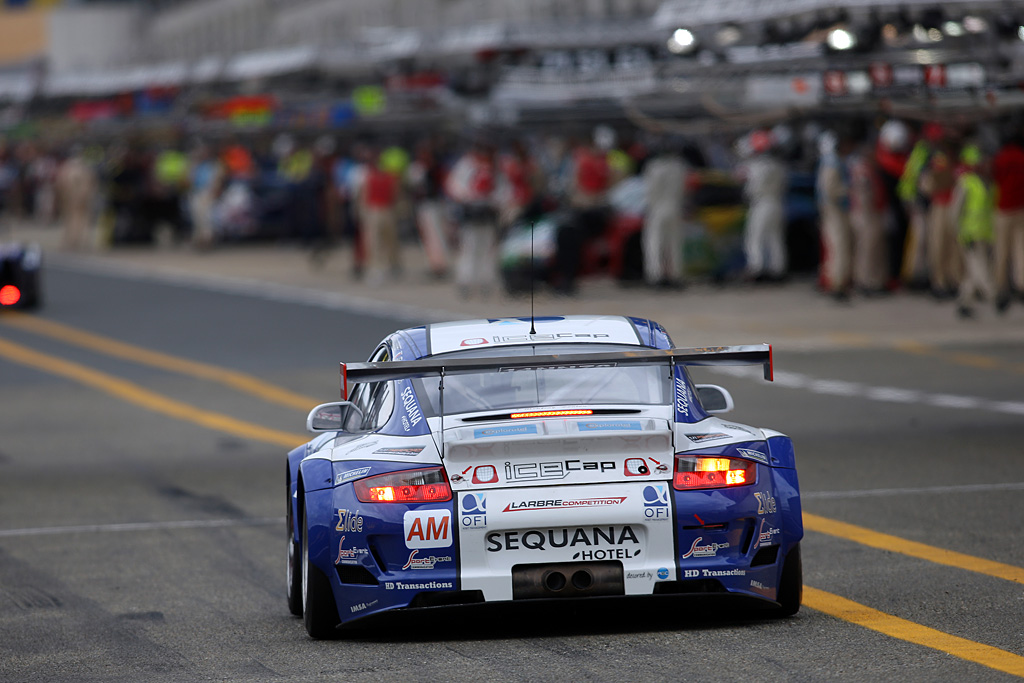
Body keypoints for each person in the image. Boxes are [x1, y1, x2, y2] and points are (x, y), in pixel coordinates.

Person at [445, 138, 503, 298]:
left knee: (488, 248)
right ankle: (466, 281)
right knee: (470, 247)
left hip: (488, 212)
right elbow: (454, 185)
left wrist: (494, 200)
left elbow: (503, 188)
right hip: (471, 211)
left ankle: (486, 281)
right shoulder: (467, 164)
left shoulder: (495, 165)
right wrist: (470, 197)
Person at [951, 144, 995, 318]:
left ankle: (964, 302)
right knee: (980, 267)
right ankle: (994, 295)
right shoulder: (966, 182)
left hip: (984, 233)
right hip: (970, 234)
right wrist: (960, 232)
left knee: (972, 270)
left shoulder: (987, 182)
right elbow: (955, 212)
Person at [741, 129, 787, 282]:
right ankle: (778, 269)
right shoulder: (779, 166)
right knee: (775, 238)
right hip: (776, 203)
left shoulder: (757, 167)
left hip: (761, 204)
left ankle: (757, 268)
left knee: (755, 238)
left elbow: (752, 189)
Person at [642, 138, 687, 289]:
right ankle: (675, 275)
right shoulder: (680, 166)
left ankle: (656, 275)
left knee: (655, 242)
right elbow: (683, 190)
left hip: (658, 208)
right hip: (675, 206)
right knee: (674, 243)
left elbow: (650, 191)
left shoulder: (654, 167)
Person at [848, 140, 889, 294]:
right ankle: (865, 282)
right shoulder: (863, 171)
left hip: (871, 215)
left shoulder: (870, 170)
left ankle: (874, 281)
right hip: (866, 216)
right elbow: (864, 198)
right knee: (867, 250)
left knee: (873, 250)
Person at [816, 131, 853, 300]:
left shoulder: (834, 162)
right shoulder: (832, 163)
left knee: (837, 247)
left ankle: (836, 282)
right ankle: (837, 284)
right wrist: (849, 190)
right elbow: (830, 190)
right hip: (834, 210)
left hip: (835, 210)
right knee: (839, 247)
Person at [359, 148, 403, 286]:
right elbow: (364, 196)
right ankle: (377, 268)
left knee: (389, 241)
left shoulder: (390, 178)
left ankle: (392, 265)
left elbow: (395, 195)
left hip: (385, 210)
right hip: (376, 210)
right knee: (376, 242)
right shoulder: (370, 177)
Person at [991, 128, 1024, 313]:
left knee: (1002, 251)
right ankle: (1021, 284)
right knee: (1021, 250)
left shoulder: (1001, 157)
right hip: (1021, 208)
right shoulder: (1022, 157)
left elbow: (995, 178)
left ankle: (1001, 288)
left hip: (1004, 208)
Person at [55, 146, 98, 250]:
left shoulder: (70, 168)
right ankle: (75, 240)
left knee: (75, 219)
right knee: (76, 219)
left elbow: (61, 184)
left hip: (75, 197)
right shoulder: (82, 168)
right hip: (75, 197)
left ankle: (76, 240)